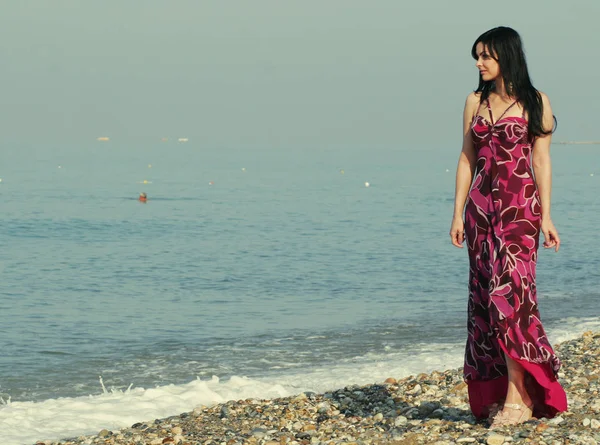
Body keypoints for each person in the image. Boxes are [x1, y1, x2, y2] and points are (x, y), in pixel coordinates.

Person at [449, 26, 567, 428]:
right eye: (476, 57)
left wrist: (547, 215)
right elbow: (466, 158)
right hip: (480, 214)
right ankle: (502, 392)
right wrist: (457, 212)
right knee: (485, 299)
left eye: (485, 56)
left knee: (512, 298)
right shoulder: (474, 101)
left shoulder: (536, 102)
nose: (479, 63)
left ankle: (521, 397)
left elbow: (541, 161)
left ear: (506, 55)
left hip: (520, 212)